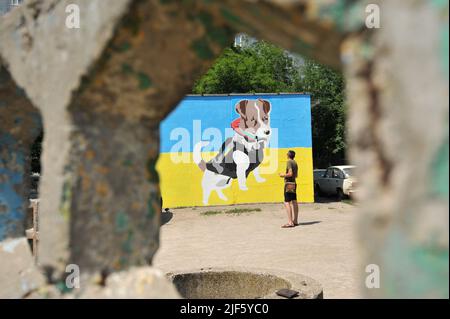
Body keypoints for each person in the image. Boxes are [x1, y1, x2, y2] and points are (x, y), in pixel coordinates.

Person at [279, 150, 299, 228]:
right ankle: (295, 221)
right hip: (294, 183)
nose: (286, 154)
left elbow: (290, 173)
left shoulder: (289, 162)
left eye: (287, 153)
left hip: (289, 184)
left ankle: (290, 222)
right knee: (294, 201)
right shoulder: (295, 162)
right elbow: (296, 175)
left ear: (288, 155)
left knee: (286, 202)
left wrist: (283, 175)